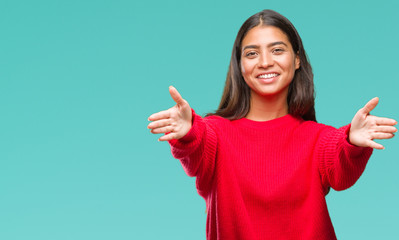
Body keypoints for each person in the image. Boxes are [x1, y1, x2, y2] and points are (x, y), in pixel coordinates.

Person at [147, 9, 397, 240]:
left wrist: (351, 140)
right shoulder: (217, 134)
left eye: (277, 50)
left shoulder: (317, 138)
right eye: (252, 53)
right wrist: (189, 130)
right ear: (240, 66)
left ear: (297, 60)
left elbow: (339, 164)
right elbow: (201, 141)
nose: (265, 62)